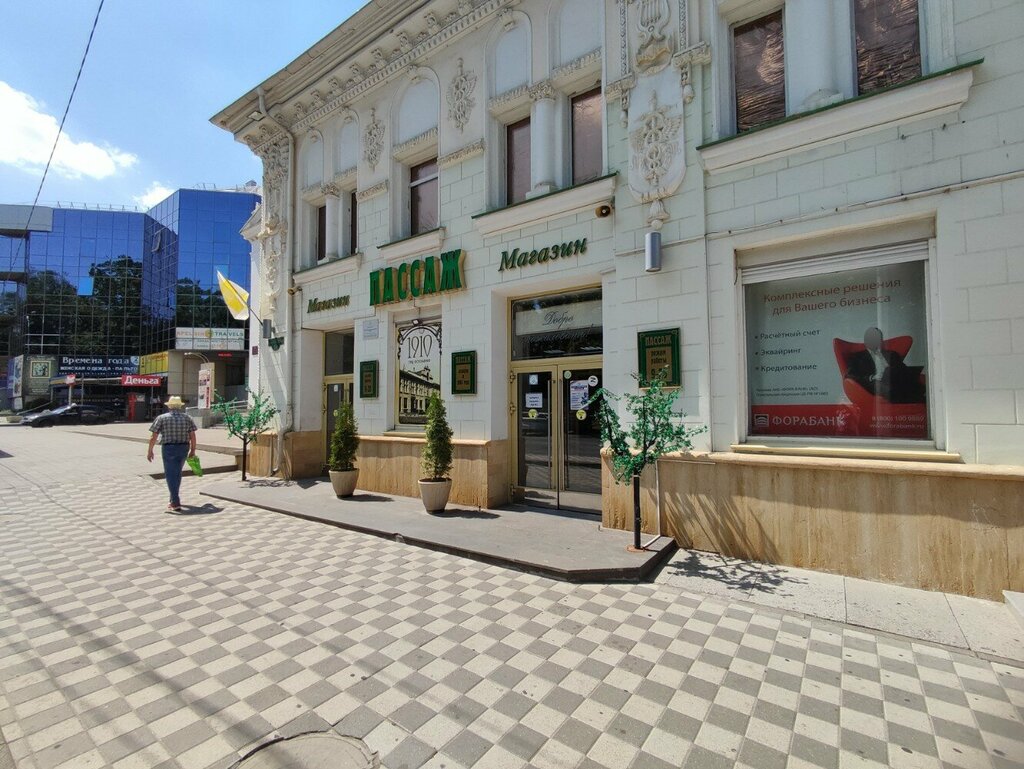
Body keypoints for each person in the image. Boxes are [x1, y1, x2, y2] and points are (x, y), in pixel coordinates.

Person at [845, 327, 925, 403]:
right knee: (888, 380)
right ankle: (917, 397)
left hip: (895, 380)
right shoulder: (857, 357)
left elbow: (903, 369)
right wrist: (872, 377)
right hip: (877, 383)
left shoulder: (892, 354)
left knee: (894, 373)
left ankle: (919, 396)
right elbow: (850, 375)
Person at [147, 395, 197, 511]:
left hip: (169, 448)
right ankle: (173, 498)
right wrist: (193, 450)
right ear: (180, 406)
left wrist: (150, 451)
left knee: (170, 475)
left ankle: (175, 502)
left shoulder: (162, 418)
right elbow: (193, 436)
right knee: (177, 473)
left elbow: (153, 436)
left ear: (169, 406)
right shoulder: (187, 418)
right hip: (184, 447)